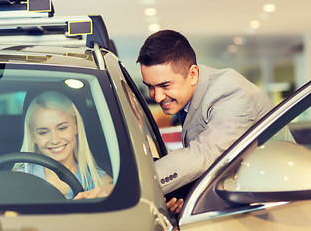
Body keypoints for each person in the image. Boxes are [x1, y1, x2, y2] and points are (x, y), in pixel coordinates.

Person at [137, 30, 276, 212]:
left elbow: (203, 155)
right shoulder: (190, 93)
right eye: (150, 86)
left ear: (193, 74)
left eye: (165, 85)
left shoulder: (232, 95)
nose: (156, 96)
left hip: (273, 204)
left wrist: (133, 186)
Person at [14, 91, 113, 199]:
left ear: (76, 126)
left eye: (62, 128)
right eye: (43, 132)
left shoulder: (99, 182)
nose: (55, 140)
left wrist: (112, 190)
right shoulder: (17, 180)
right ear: (33, 136)